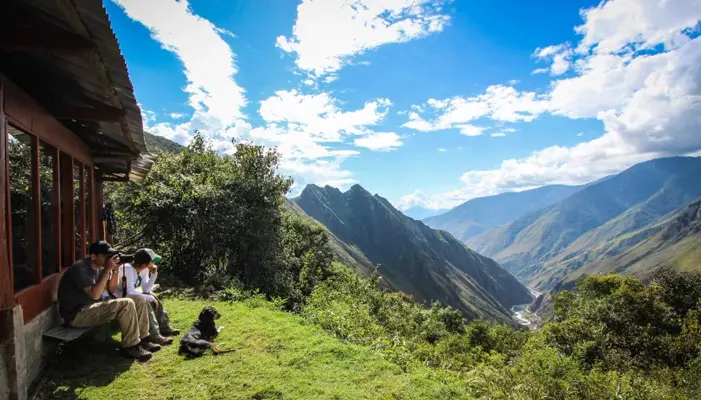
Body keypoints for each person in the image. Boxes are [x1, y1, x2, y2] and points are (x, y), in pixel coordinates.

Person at [57, 241, 160, 361]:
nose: (109, 258)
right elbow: (95, 295)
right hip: (76, 315)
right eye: (106, 256)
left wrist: (115, 270)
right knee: (126, 303)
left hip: (91, 307)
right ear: (93, 256)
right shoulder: (80, 269)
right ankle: (130, 347)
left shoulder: (99, 268)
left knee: (138, 299)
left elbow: (112, 289)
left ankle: (143, 339)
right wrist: (107, 270)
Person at [106, 248, 180, 346]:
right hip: (120, 296)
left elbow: (146, 290)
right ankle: (154, 335)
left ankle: (164, 326)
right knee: (145, 300)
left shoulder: (144, 269)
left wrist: (154, 274)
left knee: (151, 295)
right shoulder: (128, 268)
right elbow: (129, 292)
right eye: (152, 261)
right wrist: (149, 298)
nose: (154, 263)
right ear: (145, 264)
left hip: (129, 294)